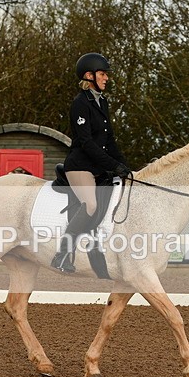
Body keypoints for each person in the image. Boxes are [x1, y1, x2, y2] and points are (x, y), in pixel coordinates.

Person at [51, 52, 131, 273]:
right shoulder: (80, 103)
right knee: (91, 205)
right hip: (80, 165)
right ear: (89, 75)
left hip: (98, 166)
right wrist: (112, 165)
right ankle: (62, 254)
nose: (107, 78)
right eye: (103, 74)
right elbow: (86, 143)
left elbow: (110, 141)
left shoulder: (102, 102)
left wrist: (125, 166)